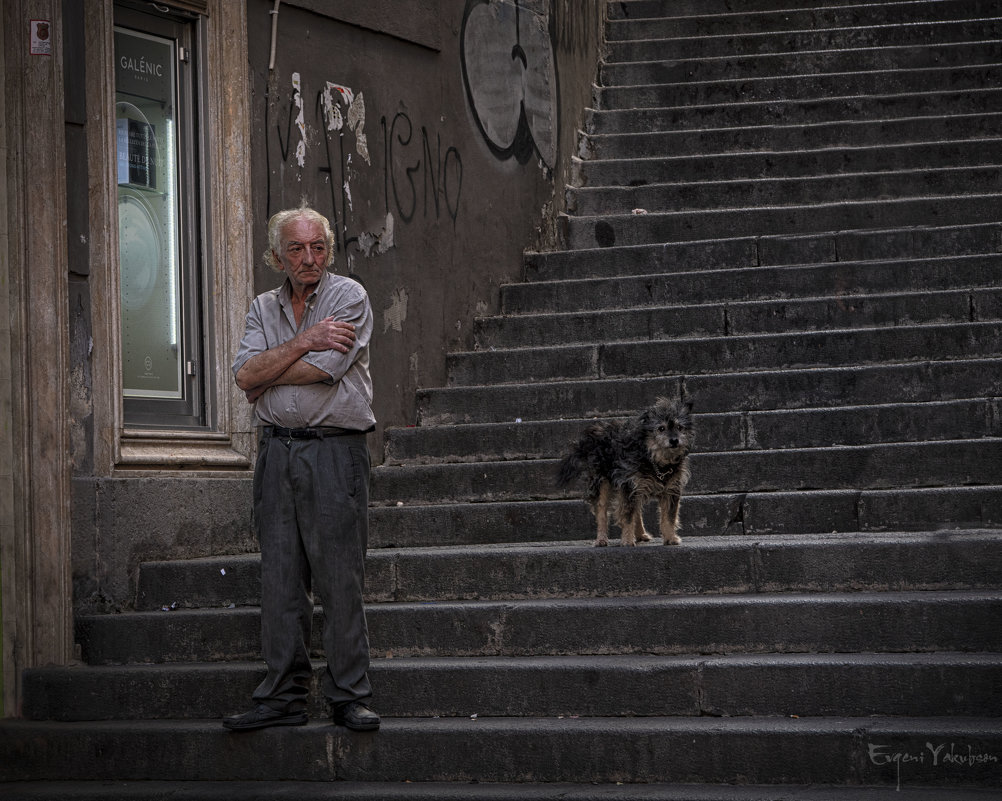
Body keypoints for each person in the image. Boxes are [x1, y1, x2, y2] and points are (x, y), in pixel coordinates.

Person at [223, 205, 379, 732]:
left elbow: (325, 370)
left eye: (318, 247)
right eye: (297, 248)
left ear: (328, 251)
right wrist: (301, 343)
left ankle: (348, 694)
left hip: (335, 452)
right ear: (276, 256)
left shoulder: (348, 297)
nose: (309, 258)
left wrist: (269, 373)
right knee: (281, 580)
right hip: (276, 453)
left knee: (340, 578)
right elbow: (244, 374)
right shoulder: (261, 308)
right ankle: (283, 696)